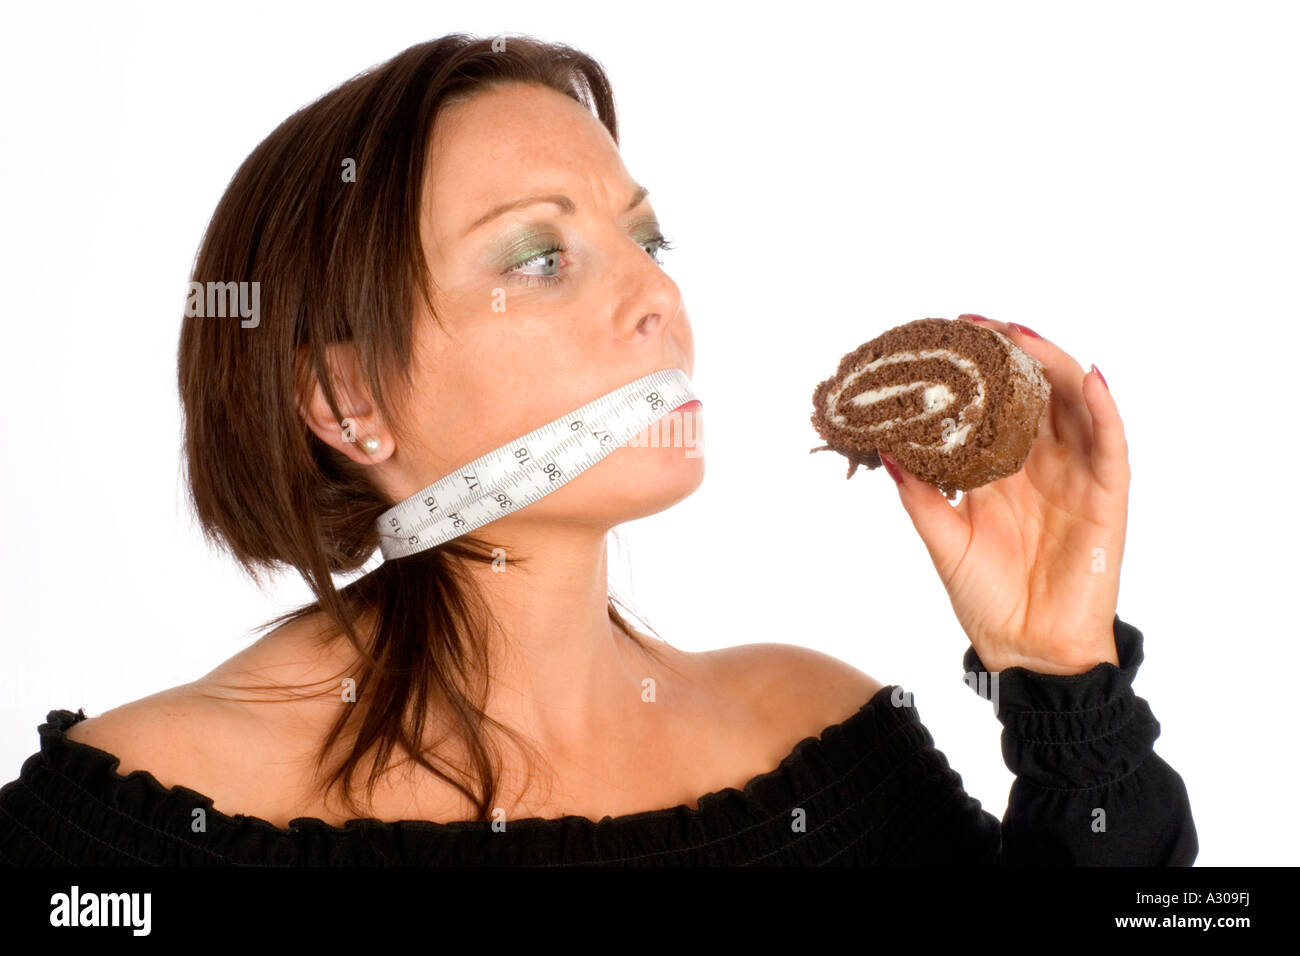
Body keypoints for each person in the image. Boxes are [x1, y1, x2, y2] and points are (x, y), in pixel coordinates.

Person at [0, 33, 1196, 866]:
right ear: (346, 394)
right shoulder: (143, 814)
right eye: (540, 256)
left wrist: (1062, 678)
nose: (654, 300)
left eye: (649, 240)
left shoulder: (822, 748)